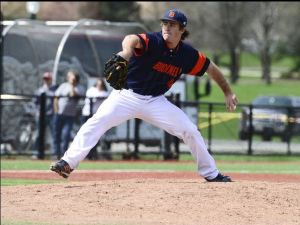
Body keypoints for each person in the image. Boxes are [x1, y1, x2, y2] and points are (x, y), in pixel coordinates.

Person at [50, 9, 238, 182]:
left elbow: (211, 69)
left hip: (156, 101)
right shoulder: (154, 42)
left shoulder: (187, 55)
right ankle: (67, 163)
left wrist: (228, 92)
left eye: (172, 25)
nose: (167, 27)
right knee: (97, 121)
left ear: (182, 29)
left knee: (190, 130)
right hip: (126, 95)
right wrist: (126, 52)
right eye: (165, 23)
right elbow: (131, 39)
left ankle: (211, 174)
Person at [52, 69, 85, 159]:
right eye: (69, 77)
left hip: (70, 116)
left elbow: (73, 94)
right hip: (59, 114)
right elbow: (56, 98)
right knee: (56, 134)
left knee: (66, 135)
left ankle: (64, 154)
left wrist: (72, 85)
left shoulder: (79, 88)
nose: (70, 78)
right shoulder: (63, 86)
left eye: (71, 77)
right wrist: (56, 110)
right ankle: (55, 153)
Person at [81, 78, 109, 160]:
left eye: (101, 85)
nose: (99, 86)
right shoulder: (91, 90)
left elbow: (104, 96)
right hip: (86, 115)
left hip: (96, 116)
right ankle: (85, 154)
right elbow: (91, 97)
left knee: (94, 136)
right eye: (98, 84)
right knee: (85, 134)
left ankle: (93, 154)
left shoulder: (105, 92)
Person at [32, 72, 58, 158]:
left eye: (48, 78)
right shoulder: (39, 90)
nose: (46, 80)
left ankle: (54, 153)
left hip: (51, 115)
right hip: (41, 116)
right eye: (45, 79)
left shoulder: (55, 90)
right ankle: (37, 153)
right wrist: (37, 112)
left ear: (51, 79)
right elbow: (34, 103)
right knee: (38, 134)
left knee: (54, 134)